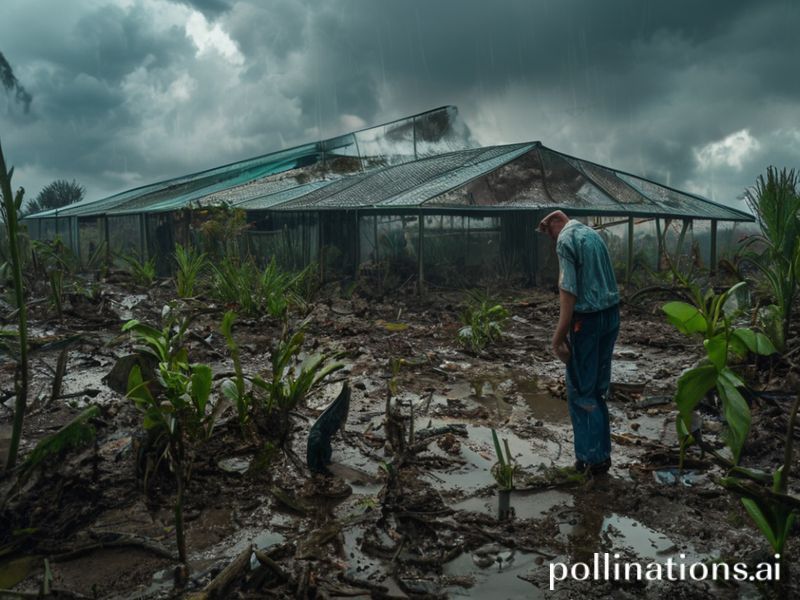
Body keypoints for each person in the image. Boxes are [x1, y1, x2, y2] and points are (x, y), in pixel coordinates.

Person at [537, 210, 620, 475]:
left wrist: (558, 337)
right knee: (597, 387)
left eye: (549, 233)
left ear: (555, 224)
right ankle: (601, 455)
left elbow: (568, 291)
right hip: (611, 316)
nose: (552, 240)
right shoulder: (592, 235)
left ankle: (591, 459)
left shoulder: (566, 238)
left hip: (587, 321)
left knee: (581, 390)